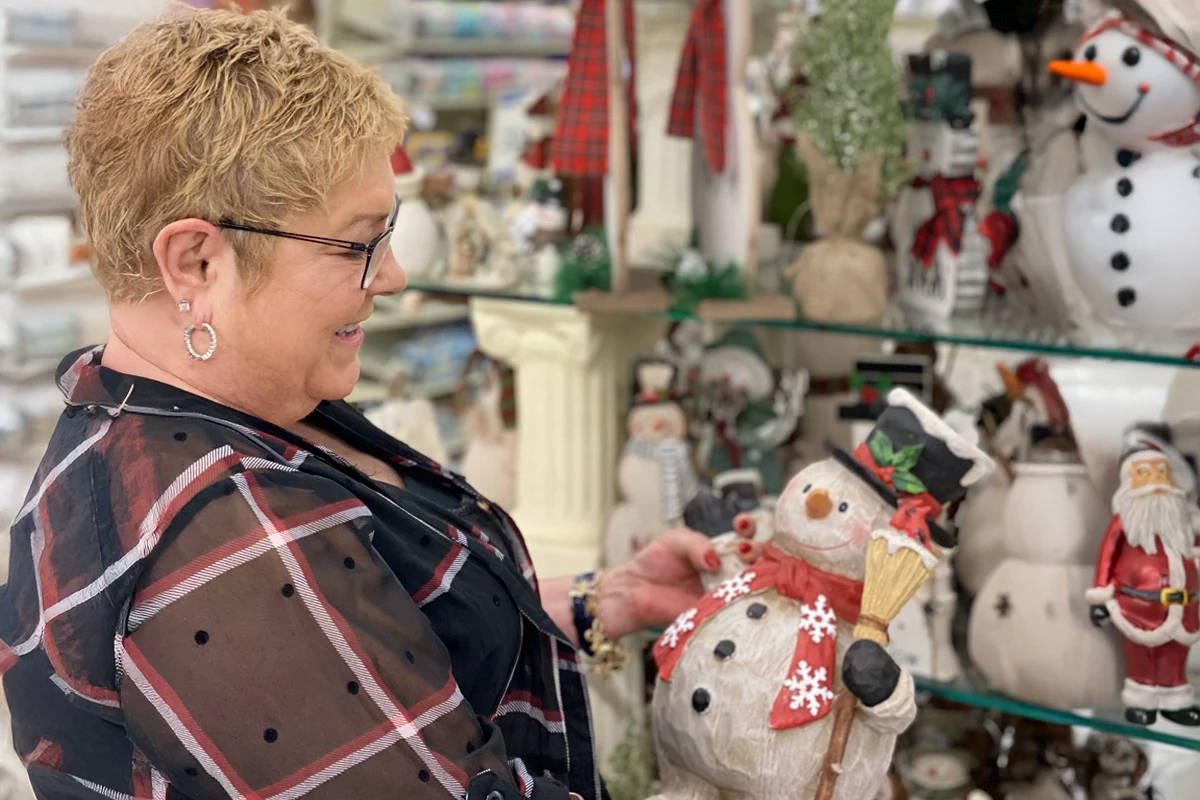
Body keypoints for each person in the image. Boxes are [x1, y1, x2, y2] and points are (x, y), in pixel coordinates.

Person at [0, 10, 760, 799]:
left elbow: (375, 655)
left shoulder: (190, 409)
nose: (393, 275)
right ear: (196, 261)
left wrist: (602, 600)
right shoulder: (218, 538)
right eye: (360, 243)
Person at [1088, 428, 1200, 726]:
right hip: (1138, 606)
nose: (1155, 481)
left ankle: (1175, 698)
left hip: (1184, 605)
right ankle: (1142, 700)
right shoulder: (1125, 519)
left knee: (1175, 657)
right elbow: (1107, 556)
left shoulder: (1183, 519)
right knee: (1142, 658)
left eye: (1161, 472)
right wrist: (1100, 595)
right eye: (1145, 473)